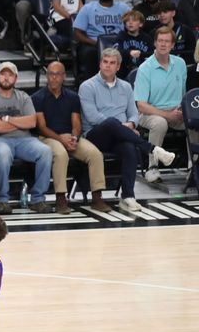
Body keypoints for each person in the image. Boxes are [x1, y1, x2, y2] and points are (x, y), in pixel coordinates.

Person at [79, 48, 176, 211]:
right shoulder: (87, 86)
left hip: (120, 136)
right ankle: (153, 150)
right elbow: (93, 117)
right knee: (110, 123)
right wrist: (123, 127)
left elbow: (134, 114)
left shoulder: (125, 87)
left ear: (118, 67)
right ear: (100, 64)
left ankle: (128, 197)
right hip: (95, 136)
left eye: (112, 63)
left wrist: (130, 125)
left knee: (129, 148)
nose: (107, 66)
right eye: (105, 62)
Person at [32, 62, 112, 214]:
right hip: (47, 137)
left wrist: (74, 137)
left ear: (63, 76)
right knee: (61, 155)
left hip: (69, 137)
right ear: (46, 76)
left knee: (95, 154)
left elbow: (76, 123)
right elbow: (41, 127)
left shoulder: (73, 97)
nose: (53, 78)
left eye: (57, 74)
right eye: (50, 74)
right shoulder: (37, 98)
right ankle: (61, 198)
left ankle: (97, 197)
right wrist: (61, 140)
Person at [0, 62, 53, 215]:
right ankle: (2, 200)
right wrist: (20, 122)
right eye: (3, 74)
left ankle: (37, 199)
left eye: (10, 75)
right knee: (3, 154)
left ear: (16, 78)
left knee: (45, 151)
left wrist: (7, 119)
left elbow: (32, 122)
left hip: (24, 140)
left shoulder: (23, 97)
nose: (6, 78)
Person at [133, 27, 187, 183]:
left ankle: (194, 164)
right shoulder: (145, 68)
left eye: (167, 41)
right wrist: (167, 114)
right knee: (160, 123)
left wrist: (183, 110)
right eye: (160, 41)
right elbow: (141, 106)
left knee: (193, 120)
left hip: (175, 112)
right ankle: (152, 168)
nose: (163, 44)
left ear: (172, 45)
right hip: (149, 113)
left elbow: (183, 94)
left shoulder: (180, 64)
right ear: (155, 43)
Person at [74, 0, 131, 83]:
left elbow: (133, 25)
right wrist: (95, 43)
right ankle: (91, 85)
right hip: (93, 44)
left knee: (128, 53)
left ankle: (122, 84)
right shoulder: (88, 8)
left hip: (118, 43)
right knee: (89, 53)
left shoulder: (124, 8)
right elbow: (77, 32)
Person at [114, 10, 154, 79]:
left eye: (134, 20)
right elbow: (116, 52)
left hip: (143, 70)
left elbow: (152, 54)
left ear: (141, 24)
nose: (130, 22)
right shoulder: (121, 35)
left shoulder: (147, 38)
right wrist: (130, 52)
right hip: (123, 70)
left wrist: (141, 54)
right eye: (127, 21)